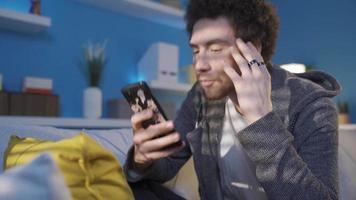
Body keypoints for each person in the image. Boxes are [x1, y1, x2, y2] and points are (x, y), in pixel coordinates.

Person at [124, 0, 340, 199]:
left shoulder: (313, 105)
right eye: (196, 51)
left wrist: (261, 119)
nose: (199, 64)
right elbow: (170, 162)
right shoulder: (200, 95)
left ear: (252, 49)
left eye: (215, 49)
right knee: (129, 188)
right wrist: (142, 160)